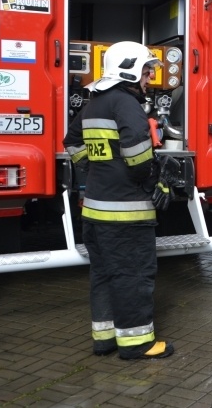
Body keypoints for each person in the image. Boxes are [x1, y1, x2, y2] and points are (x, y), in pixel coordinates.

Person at [63, 41, 174, 360]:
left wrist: (98, 166)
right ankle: (137, 343)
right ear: (129, 70)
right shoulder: (126, 104)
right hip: (126, 217)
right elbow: (139, 160)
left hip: (95, 214)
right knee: (133, 276)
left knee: (104, 275)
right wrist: (159, 182)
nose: (150, 77)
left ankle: (105, 339)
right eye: (147, 70)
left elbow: (71, 143)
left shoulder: (93, 103)